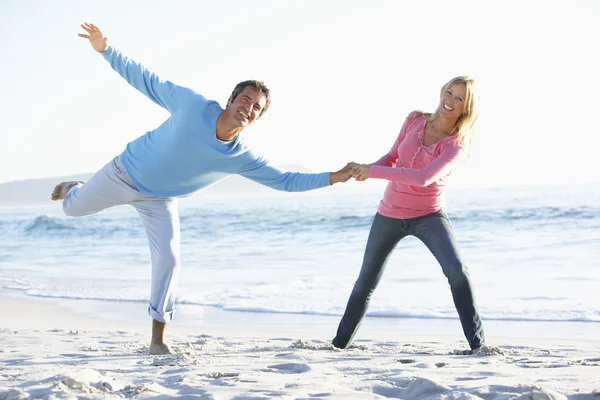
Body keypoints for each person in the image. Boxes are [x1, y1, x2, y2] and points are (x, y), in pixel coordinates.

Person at [51, 22, 354, 355]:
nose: (248, 106)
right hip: (124, 172)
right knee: (71, 208)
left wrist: (334, 176)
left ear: (257, 118)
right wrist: (105, 50)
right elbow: (147, 80)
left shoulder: (241, 157)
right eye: (245, 98)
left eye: (256, 106)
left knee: (169, 260)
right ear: (230, 99)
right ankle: (75, 187)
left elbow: (285, 181)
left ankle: (157, 339)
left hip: (160, 199)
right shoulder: (192, 105)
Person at [333, 76, 487, 353]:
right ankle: (338, 346)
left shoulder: (455, 144)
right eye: (449, 92)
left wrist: (373, 172)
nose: (450, 101)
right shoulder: (415, 119)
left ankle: (478, 346)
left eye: (459, 98)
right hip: (389, 214)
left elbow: (424, 177)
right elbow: (392, 156)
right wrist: (366, 170)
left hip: (429, 216)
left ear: (467, 107)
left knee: (456, 271)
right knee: (365, 281)